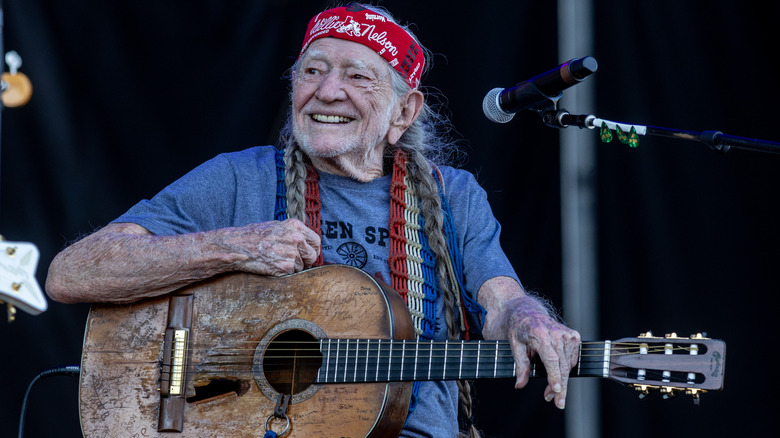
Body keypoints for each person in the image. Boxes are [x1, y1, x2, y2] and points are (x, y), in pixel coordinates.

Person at [45, 3, 580, 437]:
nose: (327, 92)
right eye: (313, 70)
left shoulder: (452, 196)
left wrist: (530, 319)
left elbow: (502, 300)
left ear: (404, 112)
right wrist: (234, 247)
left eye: (357, 77)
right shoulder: (238, 179)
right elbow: (72, 274)